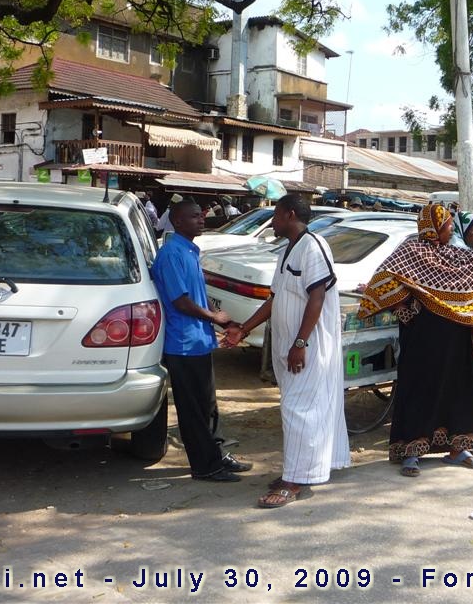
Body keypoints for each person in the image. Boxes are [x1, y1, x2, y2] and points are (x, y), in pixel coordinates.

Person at [222, 195, 350, 508]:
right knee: (296, 411)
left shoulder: (313, 246)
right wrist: (244, 329)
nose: (273, 222)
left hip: (309, 348)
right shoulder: (287, 249)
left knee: (299, 412)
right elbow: (275, 299)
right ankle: (296, 472)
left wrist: (300, 343)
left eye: (276, 215)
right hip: (289, 348)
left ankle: (294, 482)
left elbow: (317, 298)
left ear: (290, 215)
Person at [358, 204, 473, 477]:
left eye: (451, 225)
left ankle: (460, 450)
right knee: (419, 390)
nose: (450, 230)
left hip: (459, 341)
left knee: (461, 391)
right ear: (431, 227)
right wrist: (404, 309)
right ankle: (411, 451)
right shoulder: (410, 253)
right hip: (421, 340)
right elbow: (382, 282)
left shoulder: (463, 257)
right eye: (446, 225)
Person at [150, 199, 252, 481]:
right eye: (194, 216)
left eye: (201, 215)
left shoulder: (189, 250)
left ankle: (217, 454)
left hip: (199, 340)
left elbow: (197, 296)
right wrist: (213, 317)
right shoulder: (171, 254)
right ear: (178, 221)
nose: (202, 219)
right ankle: (205, 466)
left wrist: (225, 323)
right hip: (182, 343)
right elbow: (180, 301)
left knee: (208, 405)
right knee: (193, 409)